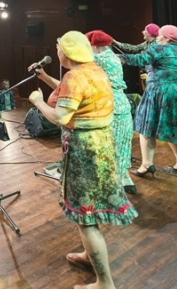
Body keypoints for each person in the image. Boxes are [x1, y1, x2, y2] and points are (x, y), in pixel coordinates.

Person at [28, 31, 137, 288]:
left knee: (85, 217)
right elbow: (74, 93)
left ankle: (105, 283)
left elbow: (60, 117)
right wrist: (45, 77)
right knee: (91, 209)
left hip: (84, 151)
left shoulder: (74, 76)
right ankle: (89, 256)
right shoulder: (94, 71)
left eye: (58, 46)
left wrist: (38, 102)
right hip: (102, 145)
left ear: (66, 51)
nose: (57, 51)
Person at [119, 25, 177, 177]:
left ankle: (146, 165)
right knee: (174, 128)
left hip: (160, 91)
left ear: (167, 38)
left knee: (146, 127)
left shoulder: (158, 49)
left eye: (159, 35)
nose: (157, 37)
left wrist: (118, 57)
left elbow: (139, 59)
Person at [86, 30, 136, 195]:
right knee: (122, 145)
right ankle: (126, 179)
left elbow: (76, 60)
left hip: (109, 105)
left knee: (107, 146)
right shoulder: (114, 57)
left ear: (94, 46)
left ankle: (111, 188)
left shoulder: (99, 59)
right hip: (122, 104)